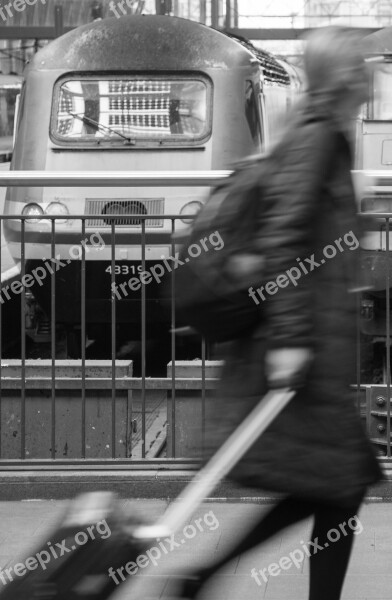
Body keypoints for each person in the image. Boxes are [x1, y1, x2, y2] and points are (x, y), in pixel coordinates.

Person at [173, 26, 382, 600]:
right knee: (339, 486)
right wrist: (291, 338)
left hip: (311, 348)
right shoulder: (316, 141)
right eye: (359, 65)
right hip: (295, 350)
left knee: (336, 488)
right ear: (342, 78)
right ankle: (198, 578)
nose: (368, 73)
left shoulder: (322, 137)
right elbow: (283, 240)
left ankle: (199, 579)